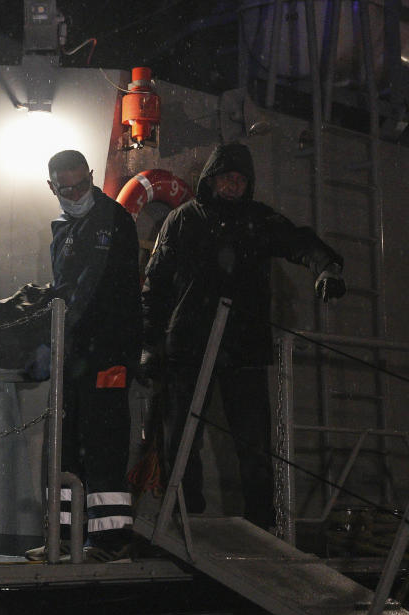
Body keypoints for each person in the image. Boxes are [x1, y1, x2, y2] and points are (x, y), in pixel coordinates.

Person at [139, 142, 346, 530]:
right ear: (211, 181)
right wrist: (150, 346)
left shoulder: (259, 221)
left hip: (242, 347)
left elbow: (297, 241)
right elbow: (156, 286)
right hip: (187, 345)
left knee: (252, 441)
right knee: (180, 440)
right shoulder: (182, 221)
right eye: (226, 178)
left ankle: (260, 522)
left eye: (239, 179)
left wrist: (326, 267)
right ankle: (185, 516)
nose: (233, 186)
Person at [26, 150, 142, 561]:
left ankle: (107, 540)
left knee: (103, 443)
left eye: (80, 185)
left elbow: (104, 290)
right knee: (65, 446)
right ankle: (61, 538)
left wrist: (123, 352)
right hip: (73, 354)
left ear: (91, 177)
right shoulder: (64, 229)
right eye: (66, 188)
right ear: (52, 187)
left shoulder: (113, 221)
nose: (74, 193)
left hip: (106, 352)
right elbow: (68, 291)